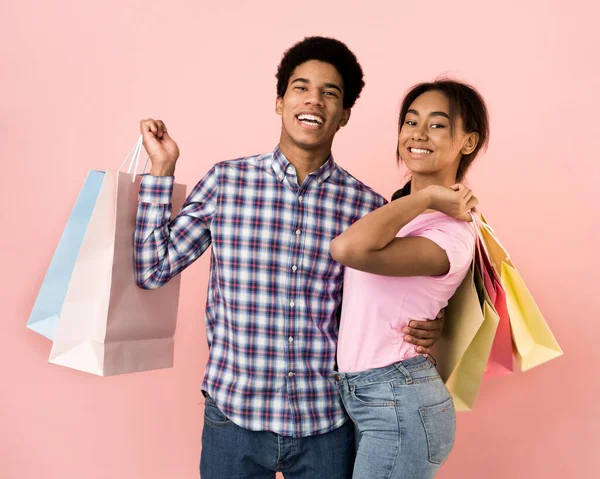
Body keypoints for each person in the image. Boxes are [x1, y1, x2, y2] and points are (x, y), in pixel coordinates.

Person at [134, 36, 445, 478]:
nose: (314, 100)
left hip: (326, 425)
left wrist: (436, 324)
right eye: (301, 87)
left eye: (330, 93)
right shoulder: (227, 183)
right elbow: (152, 269)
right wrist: (161, 172)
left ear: (345, 114)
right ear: (280, 102)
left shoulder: (368, 209)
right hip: (234, 419)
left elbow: (391, 305)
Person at [329, 79, 490, 478]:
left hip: (399, 399)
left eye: (437, 125)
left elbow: (348, 250)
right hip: (371, 396)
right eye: (410, 121)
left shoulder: (449, 231)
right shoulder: (402, 213)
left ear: (467, 142)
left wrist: (429, 197)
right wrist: (419, 200)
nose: (417, 133)